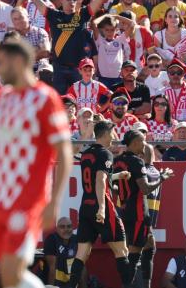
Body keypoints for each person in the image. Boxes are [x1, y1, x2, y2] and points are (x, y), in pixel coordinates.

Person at [0, 40, 73, 288]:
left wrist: (54, 202)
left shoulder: (45, 98)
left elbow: (64, 151)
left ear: (18, 62)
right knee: (8, 278)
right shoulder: (3, 97)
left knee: (13, 274)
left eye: (1, 63)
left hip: (27, 198)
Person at [14, 0, 124, 94]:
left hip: (78, 68)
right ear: (61, 0)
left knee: (78, 103)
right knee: (60, 104)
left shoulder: (82, 14)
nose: (71, 1)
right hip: (59, 67)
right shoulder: (53, 15)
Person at [68, 120, 135, 288]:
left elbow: (96, 177)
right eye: (112, 134)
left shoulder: (86, 153)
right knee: (122, 251)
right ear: (105, 134)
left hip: (85, 205)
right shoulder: (105, 154)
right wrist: (102, 208)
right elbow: (100, 179)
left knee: (82, 253)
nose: (113, 137)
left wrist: (118, 176)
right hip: (100, 204)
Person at [114, 130, 173, 286]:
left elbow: (113, 186)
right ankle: (127, 285)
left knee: (149, 244)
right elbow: (146, 189)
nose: (145, 144)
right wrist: (162, 178)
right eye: (142, 141)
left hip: (125, 210)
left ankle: (146, 284)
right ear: (134, 143)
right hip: (139, 212)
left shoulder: (117, 161)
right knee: (134, 254)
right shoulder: (136, 162)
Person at [43, 217, 86, 288]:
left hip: (71, 281)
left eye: (69, 226)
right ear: (57, 229)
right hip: (55, 283)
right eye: (62, 227)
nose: (66, 229)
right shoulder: (51, 240)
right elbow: (52, 269)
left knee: (82, 266)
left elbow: (82, 266)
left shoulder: (76, 239)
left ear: (72, 228)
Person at [91, 14, 131, 88]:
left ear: (116, 30)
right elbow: (93, 23)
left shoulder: (120, 39)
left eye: (112, 30)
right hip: (103, 78)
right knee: (103, 99)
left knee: (118, 99)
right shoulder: (100, 40)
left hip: (118, 78)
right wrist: (105, 16)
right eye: (107, 30)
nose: (109, 32)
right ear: (103, 30)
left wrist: (117, 17)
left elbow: (132, 24)